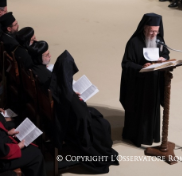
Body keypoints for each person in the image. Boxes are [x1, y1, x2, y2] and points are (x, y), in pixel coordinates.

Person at [29, 44, 119, 173]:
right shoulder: (59, 88)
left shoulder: (39, 72)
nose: (50, 56)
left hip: (54, 114)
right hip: (66, 123)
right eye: (47, 55)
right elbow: (81, 118)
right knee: (102, 124)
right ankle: (101, 156)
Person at [120, 13, 169, 147]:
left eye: (156, 31)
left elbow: (165, 54)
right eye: (152, 31)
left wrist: (163, 59)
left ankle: (151, 135)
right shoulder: (134, 43)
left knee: (151, 111)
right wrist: (141, 66)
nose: (154, 34)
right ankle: (136, 137)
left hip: (154, 84)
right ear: (145, 28)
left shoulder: (159, 41)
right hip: (138, 85)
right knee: (138, 112)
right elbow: (126, 63)